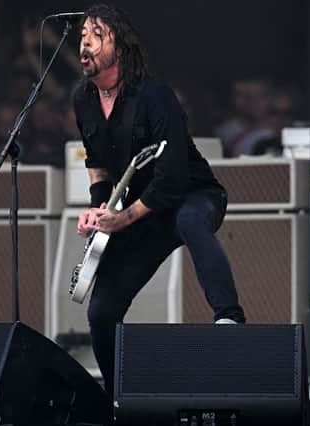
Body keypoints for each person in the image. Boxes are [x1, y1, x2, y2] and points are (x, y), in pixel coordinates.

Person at [73, 3, 245, 394]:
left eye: (94, 34)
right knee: (101, 311)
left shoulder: (154, 96)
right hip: (140, 211)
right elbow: (97, 164)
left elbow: (172, 178)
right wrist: (101, 209)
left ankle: (229, 318)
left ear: (118, 42)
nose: (84, 43)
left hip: (191, 194)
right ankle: (119, 397)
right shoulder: (83, 100)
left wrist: (124, 217)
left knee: (188, 220)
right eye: (81, 35)